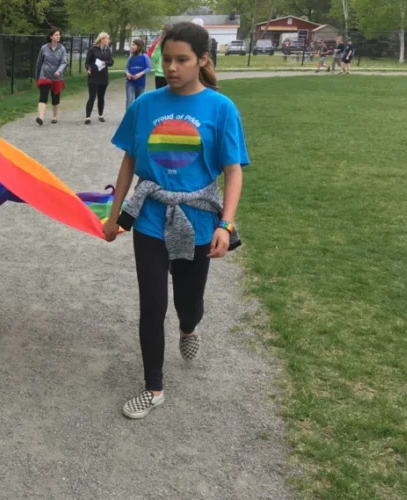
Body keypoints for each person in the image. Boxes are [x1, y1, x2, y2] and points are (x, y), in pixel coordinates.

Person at [102, 21, 249, 419]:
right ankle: (153, 387)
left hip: (198, 222)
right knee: (152, 304)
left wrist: (226, 225)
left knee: (189, 303)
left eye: (181, 60)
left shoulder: (221, 108)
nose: (171, 67)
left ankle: (189, 327)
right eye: (166, 59)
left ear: (202, 60)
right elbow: (129, 161)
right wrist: (114, 217)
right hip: (150, 218)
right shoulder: (145, 106)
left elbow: (233, 172)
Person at [34, 28, 68, 125]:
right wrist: (37, 77)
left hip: (57, 77)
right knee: (43, 97)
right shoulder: (44, 48)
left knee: (55, 98)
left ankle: (54, 116)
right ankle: (40, 117)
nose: (58, 36)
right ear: (51, 36)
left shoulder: (62, 48)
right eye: (56, 35)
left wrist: (59, 71)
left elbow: (64, 62)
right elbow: (39, 63)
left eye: (59, 35)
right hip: (45, 76)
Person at [84, 32, 114, 124]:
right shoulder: (93, 49)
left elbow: (111, 61)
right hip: (93, 76)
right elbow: (87, 62)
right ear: (102, 39)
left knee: (101, 97)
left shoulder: (107, 50)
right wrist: (88, 68)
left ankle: (100, 115)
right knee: (92, 96)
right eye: (107, 38)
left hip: (103, 76)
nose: (108, 40)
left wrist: (105, 63)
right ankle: (88, 117)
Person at [125, 38, 151, 109]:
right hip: (130, 82)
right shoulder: (130, 57)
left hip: (140, 83)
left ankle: (137, 117)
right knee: (129, 100)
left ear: (139, 46)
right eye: (131, 45)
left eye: (133, 45)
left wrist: (140, 74)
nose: (131, 46)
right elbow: (126, 68)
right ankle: (128, 117)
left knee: (138, 100)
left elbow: (149, 68)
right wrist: (127, 73)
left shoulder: (145, 57)